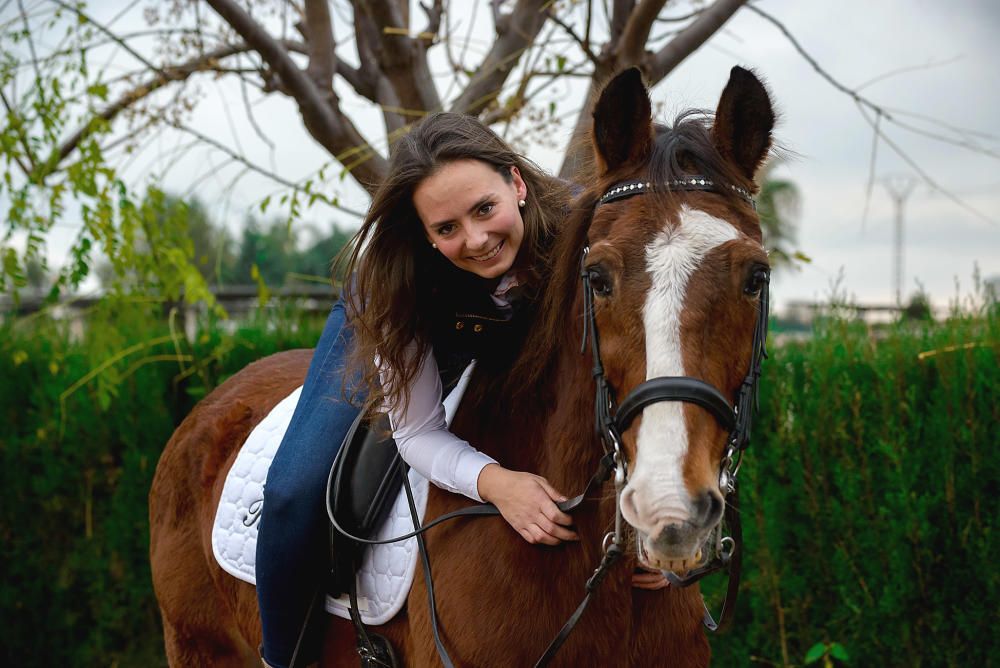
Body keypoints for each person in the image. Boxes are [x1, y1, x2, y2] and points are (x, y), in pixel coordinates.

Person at [255, 112, 664, 668]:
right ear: (424, 235)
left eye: (485, 209)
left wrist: (649, 522)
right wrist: (497, 484)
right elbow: (418, 432)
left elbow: (621, 392)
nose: (476, 239)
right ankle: (280, 659)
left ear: (516, 184)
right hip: (409, 322)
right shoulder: (399, 279)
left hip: (509, 341)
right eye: (446, 229)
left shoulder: (585, 229)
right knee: (292, 491)